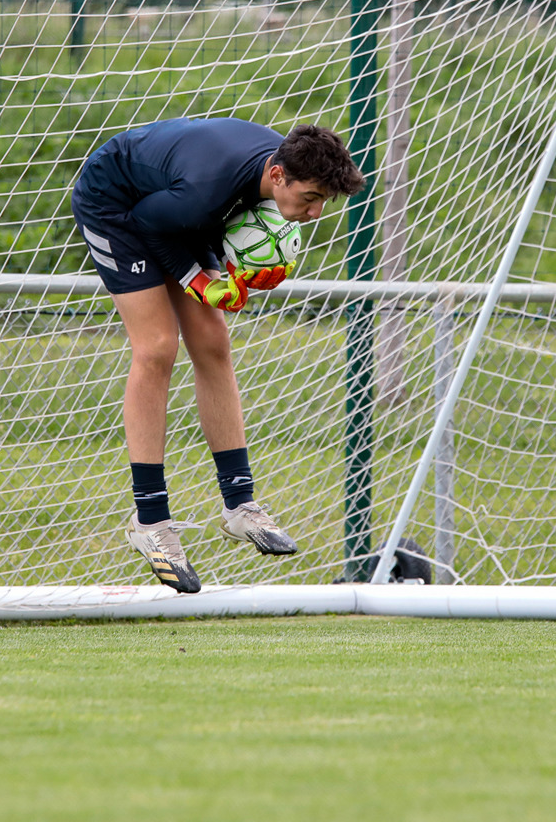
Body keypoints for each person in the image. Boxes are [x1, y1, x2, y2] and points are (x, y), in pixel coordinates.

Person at [71, 118, 365, 592]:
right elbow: (151, 221)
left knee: (213, 343)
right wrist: (197, 278)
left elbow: (192, 220)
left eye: (322, 203)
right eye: (310, 199)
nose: (313, 214)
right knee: (157, 348)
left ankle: (240, 506)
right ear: (277, 177)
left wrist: (227, 269)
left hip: (176, 206)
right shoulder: (207, 188)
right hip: (117, 204)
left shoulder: (277, 162)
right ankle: (149, 522)